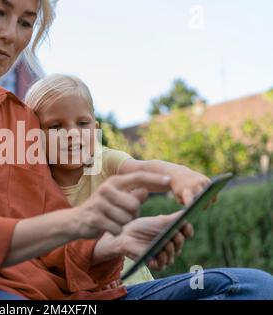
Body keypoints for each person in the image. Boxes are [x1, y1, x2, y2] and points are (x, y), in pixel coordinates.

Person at [0, 0, 205, 300]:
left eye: (26, 22)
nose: (11, 35)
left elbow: (58, 233)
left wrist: (115, 243)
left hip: (64, 299)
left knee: (246, 286)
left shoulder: (22, 119)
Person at [25, 73, 273, 299]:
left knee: (253, 288)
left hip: (132, 287)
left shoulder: (101, 159)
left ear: (96, 129)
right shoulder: (30, 186)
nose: (72, 134)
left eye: (82, 123)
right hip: (82, 297)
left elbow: (144, 169)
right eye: (55, 126)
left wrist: (179, 175)